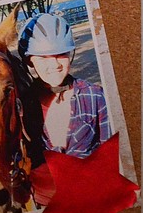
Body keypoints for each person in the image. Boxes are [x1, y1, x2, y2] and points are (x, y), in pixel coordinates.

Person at [19, 13, 111, 160]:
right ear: (29, 61)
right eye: (43, 58)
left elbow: (113, 153)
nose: (55, 65)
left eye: (61, 54)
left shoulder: (95, 97)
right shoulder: (23, 106)